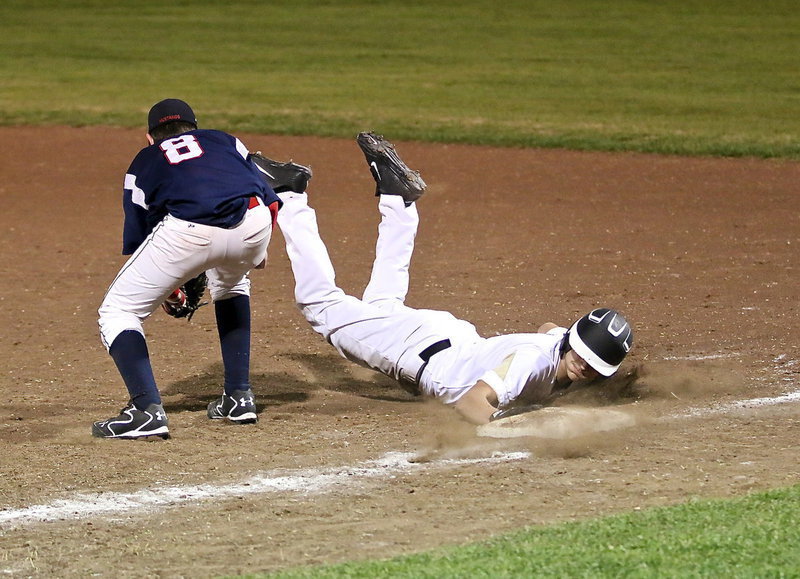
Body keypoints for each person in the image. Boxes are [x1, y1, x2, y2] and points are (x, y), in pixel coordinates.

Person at [273, 132, 634, 425]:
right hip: (417, 352)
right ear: (574, 342)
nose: (584, 366)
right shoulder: (533, 362)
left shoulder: (560, 347)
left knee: (381, 308)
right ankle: (289, 194)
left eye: (594, 364)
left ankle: (398, 200)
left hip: (446, 341)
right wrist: (524, 427)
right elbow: (471, 402)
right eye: (584, 356)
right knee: (319, 305)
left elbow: (547, 328)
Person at [93, 98, 284, 439]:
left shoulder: (144, 160)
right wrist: (259, 248)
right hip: (254, 221)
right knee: (232, 284)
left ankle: (146, 411)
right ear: (194, 127)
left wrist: (170, 287)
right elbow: (268, 193)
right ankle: (239, 397)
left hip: (188, 233)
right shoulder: (224, 140)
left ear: (150, 137)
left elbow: (140, 238)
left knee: (118, 310)